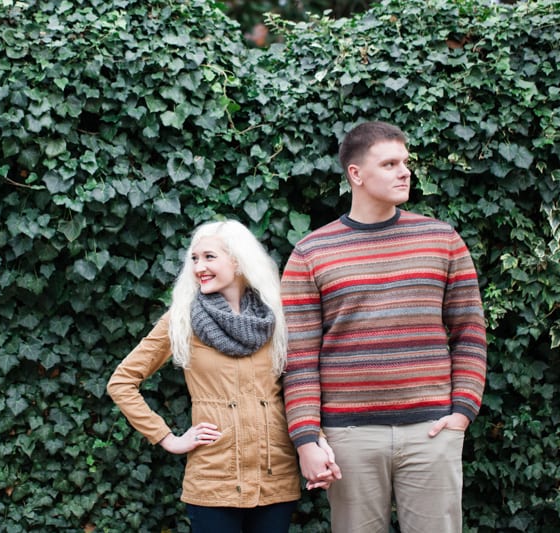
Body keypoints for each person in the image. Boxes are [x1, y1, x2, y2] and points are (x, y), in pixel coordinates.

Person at [281, 121, 487, 533]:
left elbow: (470, 333)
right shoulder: (311, 252)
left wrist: (462, 412)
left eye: (405, 162)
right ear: (355, 174)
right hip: (349, 436)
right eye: (389, 163)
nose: (404, 171)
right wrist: (306, 438)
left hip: (432, 431)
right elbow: (298, 358)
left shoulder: (441, 239)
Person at [107, 219, 304, 533]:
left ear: (238, 261)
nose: (199, 266)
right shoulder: (182, 319)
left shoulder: (275, 319)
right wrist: (167, 438)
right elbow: (122, 382)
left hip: (275, 478)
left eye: (209, 257)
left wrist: (315, 441)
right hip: (214, 481)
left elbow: (299, 386)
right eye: (195, 259)